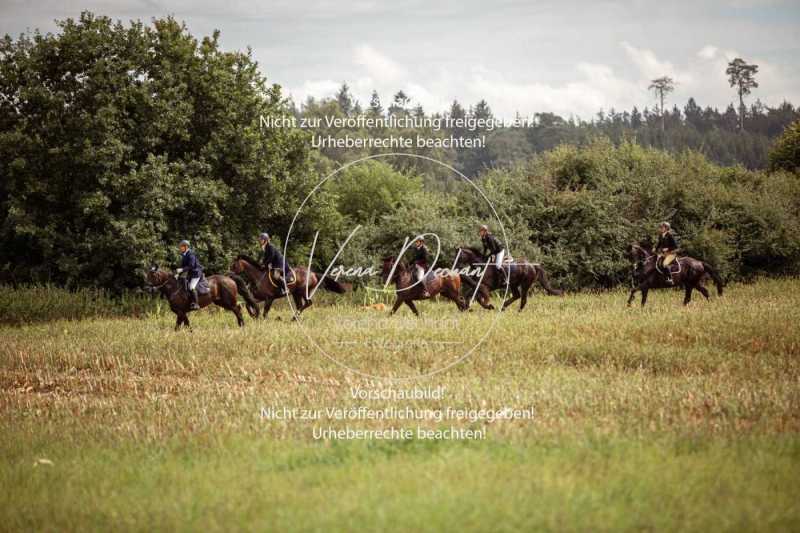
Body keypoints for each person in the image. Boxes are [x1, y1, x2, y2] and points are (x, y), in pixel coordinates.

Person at [176, 240, 202, 310]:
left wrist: (182, 270)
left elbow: (191, 266)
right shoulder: (184, 255)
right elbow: (183, 266)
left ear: (186, 247)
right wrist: (178, 274)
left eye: (181, 247)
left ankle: (196, 304)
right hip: (190, 273)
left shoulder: (191, 254)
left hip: (196, 273)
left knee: (191, 287)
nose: (180, 248)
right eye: (180, 247)